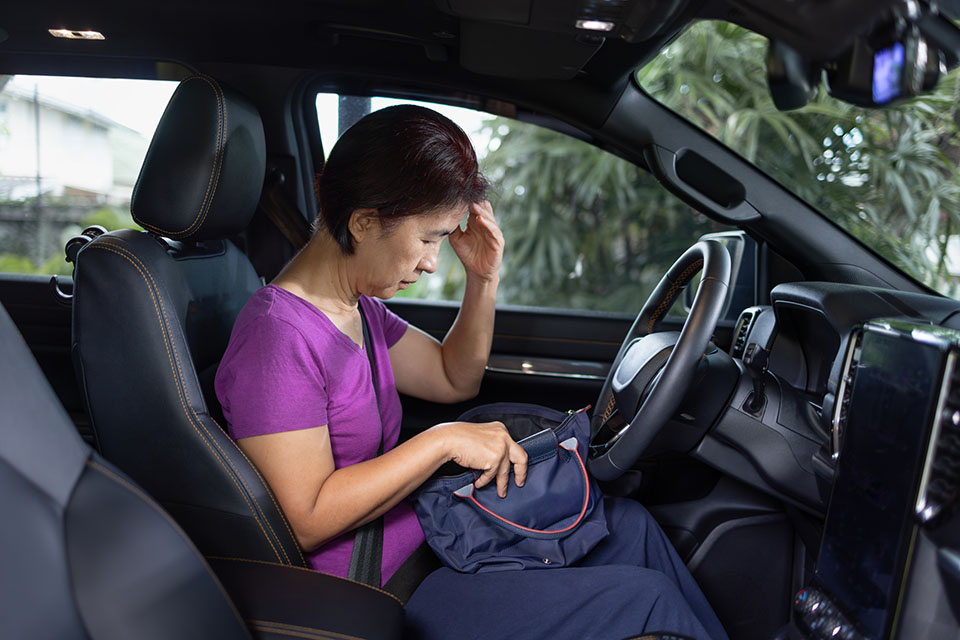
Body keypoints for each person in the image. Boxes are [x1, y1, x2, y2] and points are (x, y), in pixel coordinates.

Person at [215, 105, 729, 640]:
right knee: (650, 603)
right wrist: (441, 441)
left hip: (435, 533)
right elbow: (309, 516)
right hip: (384, 584)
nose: (434, 261)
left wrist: (483, 278)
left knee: (632, 528)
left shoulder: (356, 308)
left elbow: (451, 377)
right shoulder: (278, 337)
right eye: (428, 238)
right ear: (365, 222)